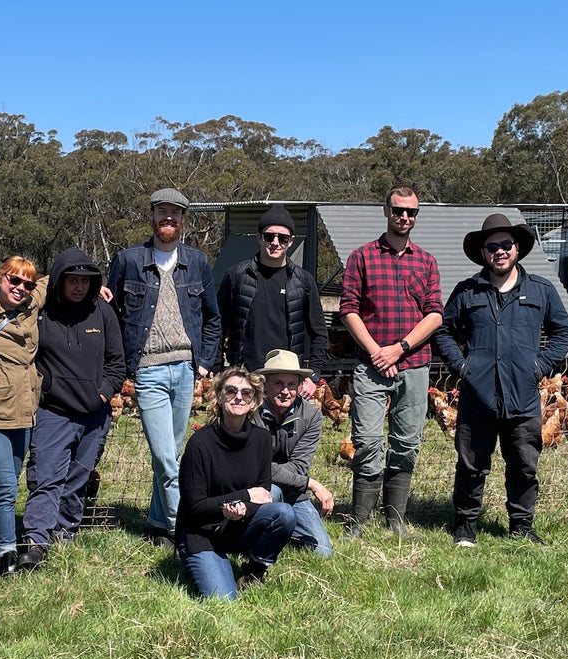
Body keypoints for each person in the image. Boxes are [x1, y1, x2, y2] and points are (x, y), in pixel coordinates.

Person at [433, 213, 568, 548]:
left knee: (524, 465)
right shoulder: (467, 292)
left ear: (516, 249)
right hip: (477, 397)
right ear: (483, 253)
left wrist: (539, 367)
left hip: (523, 397)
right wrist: (462, 367)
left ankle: (521, 526)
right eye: (492, 246)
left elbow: (563, 332)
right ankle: (466, 526)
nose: (500, 251)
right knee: (471, 466)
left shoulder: (540, 289)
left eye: (506, 244)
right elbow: (443, 331)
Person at [106, 188, 221, 549]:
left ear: (183, 220)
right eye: (161, 213)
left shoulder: (197, 262)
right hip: (149, 370)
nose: (167, 219)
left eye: (174, 213)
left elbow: (212, 319)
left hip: (186, 370)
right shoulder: (128, 260)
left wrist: (202, 364)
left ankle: (157, 523)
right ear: (152, 218)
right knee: (165, 458)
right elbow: (110, 315)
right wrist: (125, 365)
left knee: (170, 453)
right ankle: (182, 529)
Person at [340, 185, 443, 538]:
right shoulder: (362, 257)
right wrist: (377, 352)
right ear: (386, 211)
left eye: (411, 212)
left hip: (413, 365)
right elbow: (348, 310)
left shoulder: (426, 261)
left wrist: (399, 348)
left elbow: (434, 316)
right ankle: (359, 522)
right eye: (398, 210)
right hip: (370, 366)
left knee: (406, 443)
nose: (404, 217)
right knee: (368, 440)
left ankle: (395, 520)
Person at [18, 248, 125, 570]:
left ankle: (65, 533)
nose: (78, 287)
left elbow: (117, 363)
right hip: (54, 412)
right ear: (59, 281)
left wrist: (104, 394)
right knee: (47, 476)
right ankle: (37, 540)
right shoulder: (42, 313)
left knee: (78, 477)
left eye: (85, 281)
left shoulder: (103, 313)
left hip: (94, 415)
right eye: (72, 280)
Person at [176, 367, 296, 600]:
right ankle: (204, 562)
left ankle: (254, 571)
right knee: (223, 600)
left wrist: (241, 508)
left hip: (239, 524)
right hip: (200, 533)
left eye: (246, 393)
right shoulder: (200, 444)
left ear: (254, 402)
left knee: (285, 513)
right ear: (219, 397)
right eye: (231, 391)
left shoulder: (261, 439)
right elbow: (194, 507)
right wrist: (241, 498)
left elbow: (263, 494)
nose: (238, 397)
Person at [0, 256, 48, 574]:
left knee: (9, 482)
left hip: (25, 410)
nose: (21, 287)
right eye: (14, 280)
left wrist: (97, 286)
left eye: (27, 283)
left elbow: (55, 276)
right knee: (5, 487)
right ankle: (6, 556)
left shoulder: (32, 304)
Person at [217, 205, 328, 398]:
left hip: (287, 379)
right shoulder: (236, 276)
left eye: (282, 238)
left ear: (291, 241)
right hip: (245, 377)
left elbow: (319, 332)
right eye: (269, 236)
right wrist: (219, 371)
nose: (275, 242)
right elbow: (217, 327)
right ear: (259, 237)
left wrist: (313, 376)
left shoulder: (303, 281)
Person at [251, 350, 334, 558]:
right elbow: (256, 467)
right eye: (278, 383)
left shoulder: (311, 415)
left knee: (323, 552)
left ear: (299, 386)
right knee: (274, 491)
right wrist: (310, 483)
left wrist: (277, 473)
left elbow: (299, 466)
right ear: (265, 385)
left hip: (295, 494)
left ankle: (283, 530)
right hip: (258, 489)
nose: (285, 391)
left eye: (291, 384)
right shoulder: (252, 414)